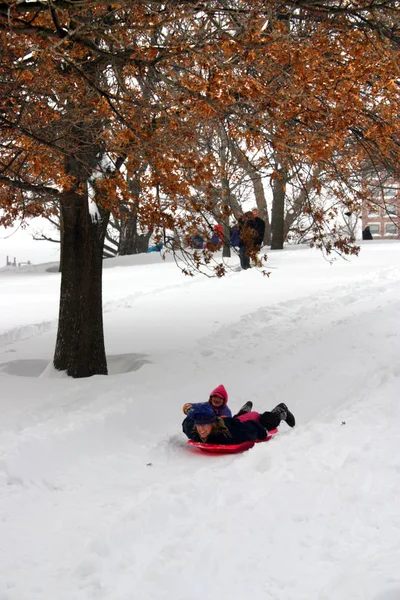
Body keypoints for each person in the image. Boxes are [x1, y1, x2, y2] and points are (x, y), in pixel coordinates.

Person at [183, 402, 295, 445]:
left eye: (205, 426)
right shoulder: (193, 431)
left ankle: (280, 411)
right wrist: (191, 410)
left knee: (265, 421)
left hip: (245, 422)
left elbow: (250, 430)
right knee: (237, 419)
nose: (201, 430)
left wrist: (263, 431)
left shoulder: (228, 434)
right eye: (199, 426)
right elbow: (187, 423)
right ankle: (244, 411)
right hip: (234, 421)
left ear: (213, 424)